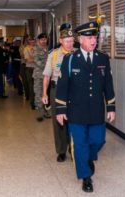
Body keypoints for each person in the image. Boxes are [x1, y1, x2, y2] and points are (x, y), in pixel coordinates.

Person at [55, 22, 116, 193]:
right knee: (80, 144)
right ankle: (86, 177)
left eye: (95, 37)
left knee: (98, 140)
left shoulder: (103, 58)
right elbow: (62, 86)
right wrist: (60, 110)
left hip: (96, 110)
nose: (93, 40)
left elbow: (108, 85)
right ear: (80, 40)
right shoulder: (70, 59)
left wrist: (111, 107)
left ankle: (88, 157)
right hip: (76, 111)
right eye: (89, 37)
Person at [42, 23, 74, 162]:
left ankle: (74, 148)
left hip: (74, 91)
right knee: (59, 121)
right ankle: (61, 150)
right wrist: (44, 93)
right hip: (57, 90)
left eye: (72, 41)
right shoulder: (53, 55)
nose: (70, 44)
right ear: (61, 40)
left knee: (74, 120)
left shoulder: (78, 54)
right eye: (67, 41)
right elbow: (47, 76)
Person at [33, 33, 50, 121]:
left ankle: (45, 110)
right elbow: (37, 62)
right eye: (42, 40)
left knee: (46, 93)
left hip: (47, 75)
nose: (44, 41)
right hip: (39, 75)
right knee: (39, 93)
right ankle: (40, 112)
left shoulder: (48, 49)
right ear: (39, 40)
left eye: (45, 39)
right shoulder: (36, 49)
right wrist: (48, 66)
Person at [24, 36, 36, 109]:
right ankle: (33, 103)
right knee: (31, 87)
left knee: (37, 86)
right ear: (29, 41)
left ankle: (38, 102)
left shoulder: (37, 48)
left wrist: (34, 59)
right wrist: (37, 59)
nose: (33, 42)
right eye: (31, 40)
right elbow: (28, 60)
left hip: (37, 69)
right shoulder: (26, 49)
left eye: (34, 40)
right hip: (30, 69)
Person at [19, 35, 29, 100]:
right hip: (24, 65)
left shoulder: (32, 47)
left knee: (30, 81)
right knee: (25, 81)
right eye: (27, 40)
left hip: (30, 65)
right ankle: (27, 94)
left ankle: (31, 94)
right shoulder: (22, 47)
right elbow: (23, 56)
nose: (28, 41)